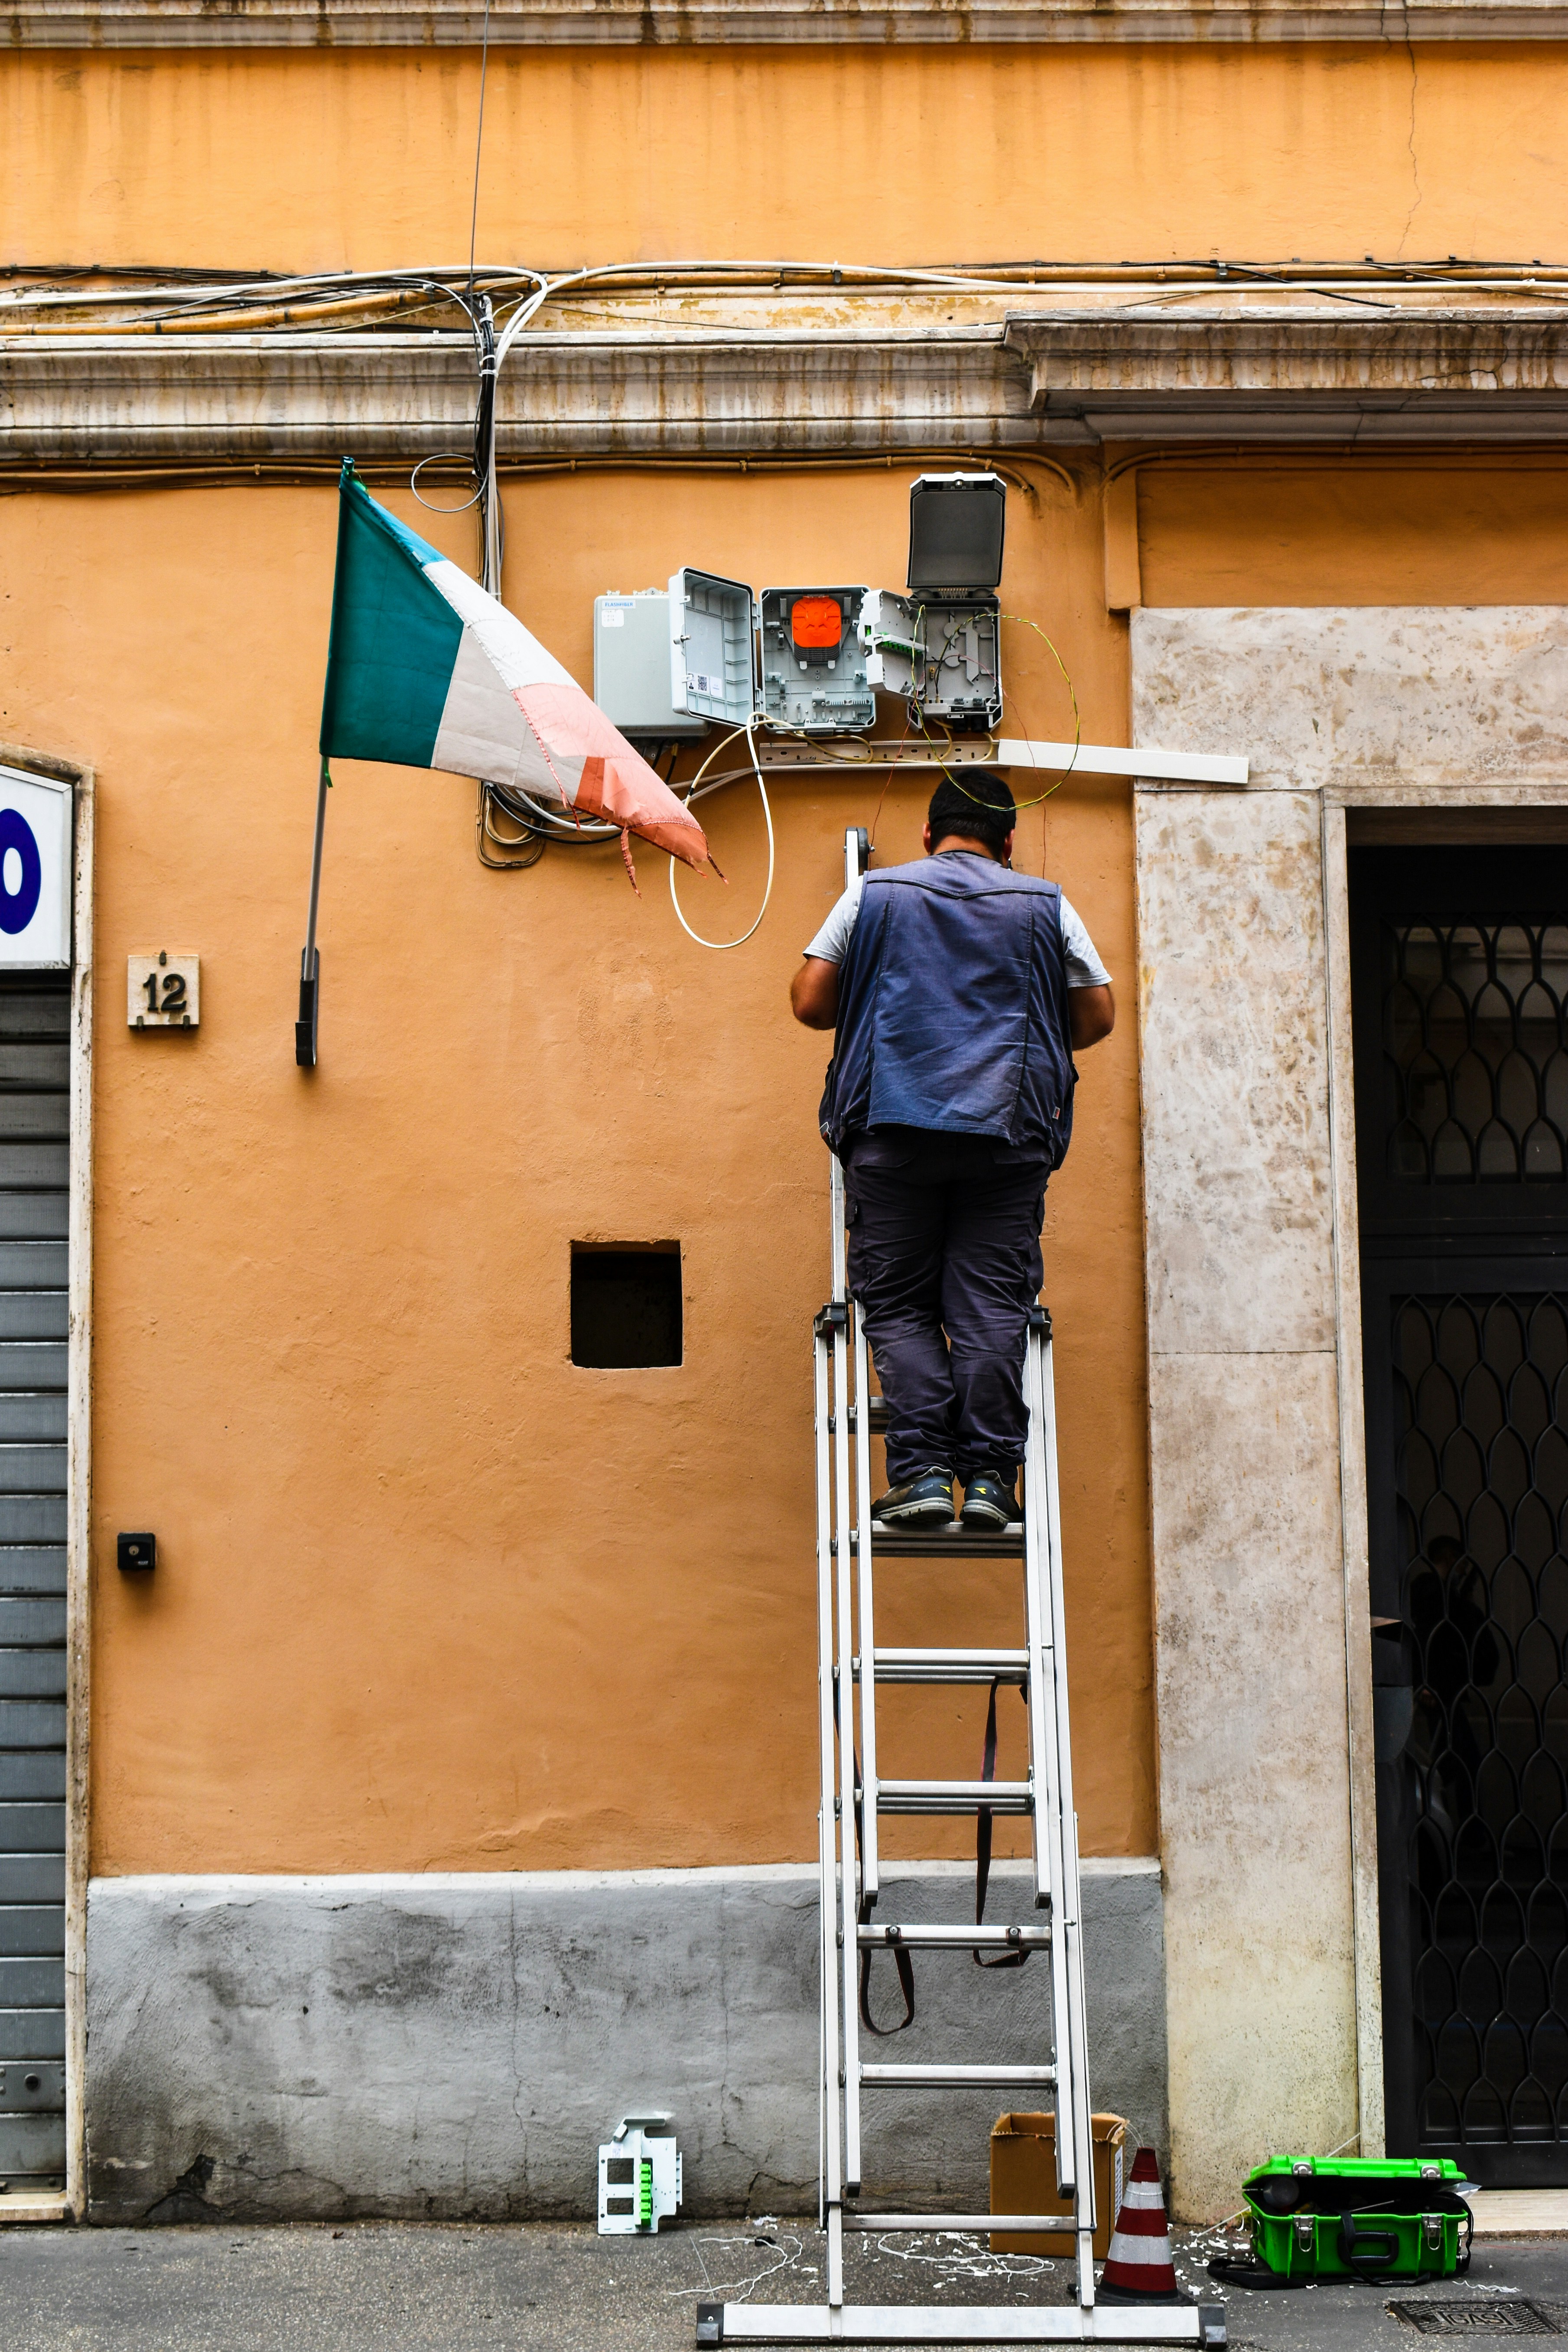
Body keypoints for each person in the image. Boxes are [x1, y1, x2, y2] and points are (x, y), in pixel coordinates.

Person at [790, 772, 1114, 1531]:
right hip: (1007, 1139)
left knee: (898, 1304)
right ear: (1008, 845)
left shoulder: (875, 894)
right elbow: (1096, 1016)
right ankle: (992, 1484)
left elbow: (809, 1002)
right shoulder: (1045, 903)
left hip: (892, 1131)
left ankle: (926, 1472)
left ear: (930, 837)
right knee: (990, 1308)